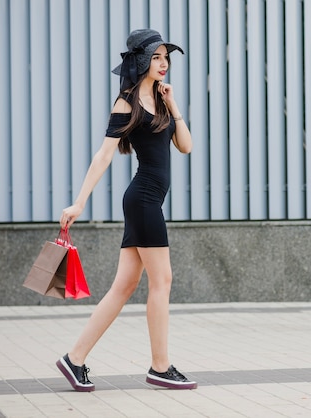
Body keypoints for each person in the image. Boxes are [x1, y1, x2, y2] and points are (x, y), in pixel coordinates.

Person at [56, 29, 195, 392]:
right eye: (157, 57)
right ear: (140, 61)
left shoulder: (162, 102)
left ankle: (74, 359)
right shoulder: (126, 103)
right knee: (162, 281)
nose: (164, 64)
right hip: (144, 201)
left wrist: (174, 104)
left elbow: (186, 146)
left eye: (167, 57)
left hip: (146, 201)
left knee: (124, 286)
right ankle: (160, 367)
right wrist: (80, 202)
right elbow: (104, 154)